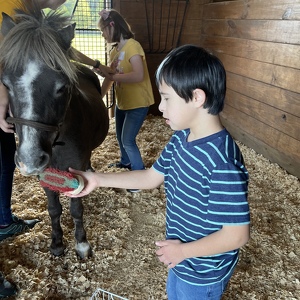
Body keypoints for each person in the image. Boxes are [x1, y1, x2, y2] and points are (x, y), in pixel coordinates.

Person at [64, 45, 251, 300]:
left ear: (197, 98)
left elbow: (236, 235)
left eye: (166, 98)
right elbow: (151, 177)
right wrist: (96, 179)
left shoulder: (221, 162)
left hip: (202, 272)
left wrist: (183, 252)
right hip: (181, 257)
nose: (160, 107)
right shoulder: (181, 139)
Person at [0, 0, 112, 297]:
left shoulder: (43, 25)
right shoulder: (15, 13)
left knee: (74, 178)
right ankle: (55, 231)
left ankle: (79, 231)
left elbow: (62, 52)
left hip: (71, 126)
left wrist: (95, 67)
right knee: (50, 183)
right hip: (39, 118)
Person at [96, 9, 154, 181]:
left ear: (112, 26)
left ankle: (139, 175)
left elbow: (138, 75)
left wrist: (112, 76)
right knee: (121, 137)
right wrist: (98, 97)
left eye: (102, 31)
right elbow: (110, 79)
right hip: (123, 103)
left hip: (138, 102)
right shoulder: (114, 51)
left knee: (128, 140)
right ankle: (126, 162)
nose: (102, 35)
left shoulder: (133, 46)